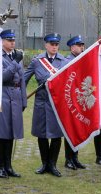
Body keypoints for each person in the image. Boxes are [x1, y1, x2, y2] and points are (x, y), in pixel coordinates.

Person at [24, 33, 67, 177]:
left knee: (56, 135)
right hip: (41, 102)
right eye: (52, 44)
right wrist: (18, 97)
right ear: (46, 45)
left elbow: (69, 82)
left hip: (57, 104)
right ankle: (44, 164)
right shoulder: (37, 61)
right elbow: (24, 79)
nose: (54, 47)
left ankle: (52, 165)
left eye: (56, 44)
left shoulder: (64, 62)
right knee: (41, 134)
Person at [0, 29, 27, 179]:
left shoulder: (16, 56)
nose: (12, 42)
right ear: (2, 41)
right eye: (8, 40)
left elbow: (22, 79)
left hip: (16, 97)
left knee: (11, 133)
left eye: (13, 40)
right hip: (2, 97)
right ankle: (0, 167)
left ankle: (8, 166)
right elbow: (2, 77)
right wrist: (14, 63)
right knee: (0, 134)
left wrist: (24, 100)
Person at [64, 35, 86, 170]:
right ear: (72, 47)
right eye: (79, 45)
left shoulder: (82, 60)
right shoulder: (67, 61)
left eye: (82, 45)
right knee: (70, 129)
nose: (82, 47)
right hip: (69, 100)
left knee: (77, 129)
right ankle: (68, 159)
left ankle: (75, 158)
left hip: (79, 99)